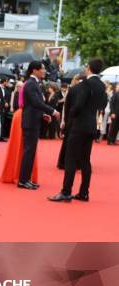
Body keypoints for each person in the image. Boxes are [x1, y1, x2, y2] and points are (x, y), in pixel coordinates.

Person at [48, 59, 107, 202]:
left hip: (79, 125)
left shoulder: (86, 84)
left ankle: (66, 192)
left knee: (71, 158)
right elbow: (103, 104)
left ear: (89, 68)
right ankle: (84, 193)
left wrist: (71, 116)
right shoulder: (101, 85)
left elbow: (79, 105)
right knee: (85, 160)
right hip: (91, 125)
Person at [18, 60, 60, 190]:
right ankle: (23, 180)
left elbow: (33, 105)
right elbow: (36, 102)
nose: (44, 71)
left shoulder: (34, 83)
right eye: (42, 69)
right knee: (28, 152)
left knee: (30, 152)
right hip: (30, 123)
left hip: (33, 120)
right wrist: (52, 111)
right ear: (34, 70)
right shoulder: (31, 84)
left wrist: (42, 114)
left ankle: (26, 179)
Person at [0, 80, 39, 184]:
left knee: (23, 146)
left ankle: (19, 174)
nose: (19, 87)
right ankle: (21, 175)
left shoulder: (24, 91)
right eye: (17, 86)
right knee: (21, 145)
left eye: (20, 86)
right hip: (22, 116)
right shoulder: (23, 91)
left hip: (21, 115)